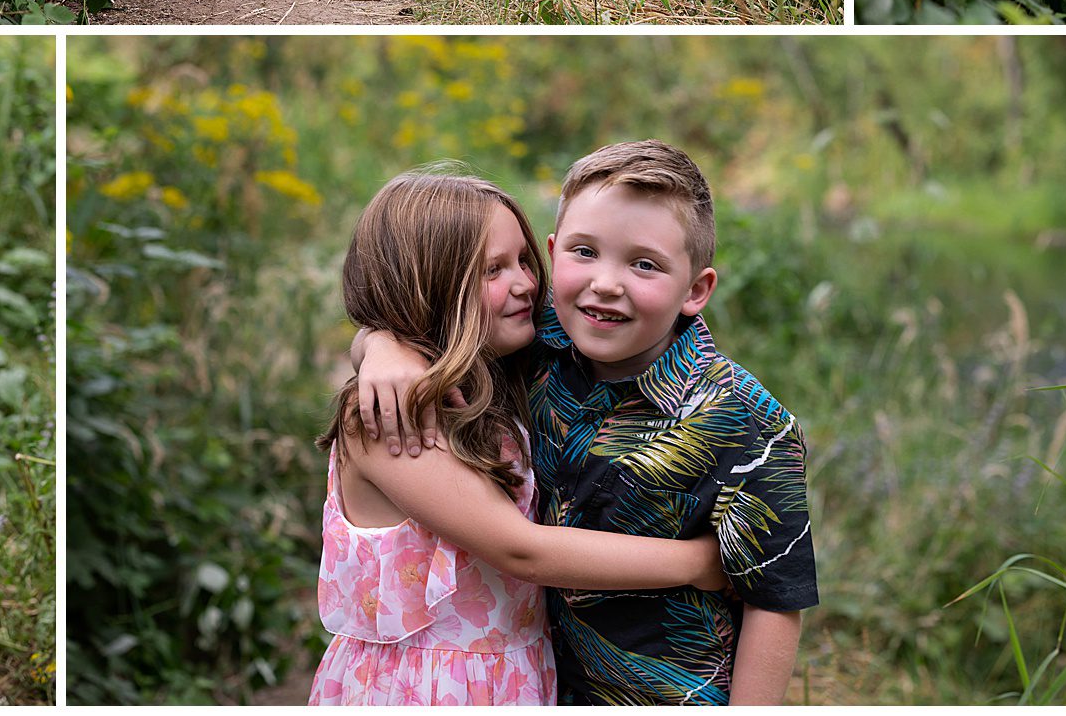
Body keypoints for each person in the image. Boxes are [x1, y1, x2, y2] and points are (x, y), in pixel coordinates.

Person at [355, 142, 820, 704]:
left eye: (644, 264)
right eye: (584, 252)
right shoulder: (538, 342)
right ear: (554, 254)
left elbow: (774, 600)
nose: (606, 283)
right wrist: (381, 345)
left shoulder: (748, 424)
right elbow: (432, 315)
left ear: (695, 289)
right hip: (534, 684)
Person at [310, 172, 726, 706]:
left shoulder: (509, 372)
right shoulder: (384, 416)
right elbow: (518, 549)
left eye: (525, 260)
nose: (528, 283)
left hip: (516, 676)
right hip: (423, 689)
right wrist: (699, 563)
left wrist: (378, 342)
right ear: (426, 287)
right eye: (493, 270)